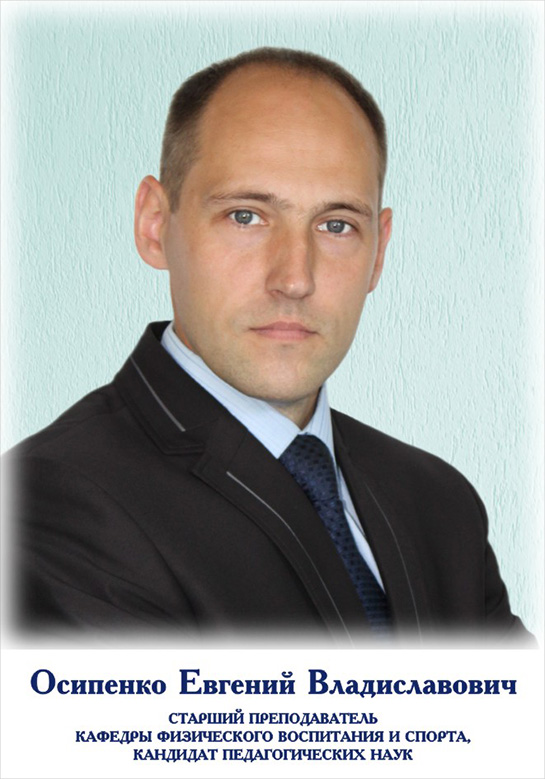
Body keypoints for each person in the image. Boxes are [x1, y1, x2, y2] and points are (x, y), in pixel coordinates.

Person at [5, 47, 531, 644]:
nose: (295, 278)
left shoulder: (439, 504)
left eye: (336, 225)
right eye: (245, 216)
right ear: (154, 224)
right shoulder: (51, 498)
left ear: (379, 252)